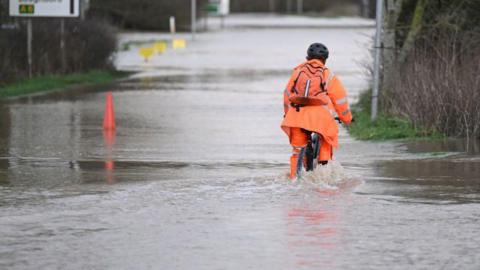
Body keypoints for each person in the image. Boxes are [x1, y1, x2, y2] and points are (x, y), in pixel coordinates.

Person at [281, 43, 353, 179]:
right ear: (325, 60)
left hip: (296, 115)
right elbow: (340, 99)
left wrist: (287, 113)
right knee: (327, 139)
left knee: (297, 149)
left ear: (307, 57)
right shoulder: (328, 74)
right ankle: (324, 170)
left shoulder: (297, 72)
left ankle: (294, 178)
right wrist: (347, 118)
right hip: (320, 117)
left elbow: (286, 95)